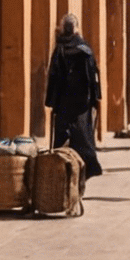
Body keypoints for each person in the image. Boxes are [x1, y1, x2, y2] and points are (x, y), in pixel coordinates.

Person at [43, 14, 103, 179]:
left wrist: (50, 101)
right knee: (83, 137)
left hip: (63, 103)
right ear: (77, 28)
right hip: (82, 102)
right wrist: (97, 97)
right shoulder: (85, 49)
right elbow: (93, 75)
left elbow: (53, 76)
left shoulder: (60, 49)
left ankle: (61, 169)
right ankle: (86, 168)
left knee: (62, 136)